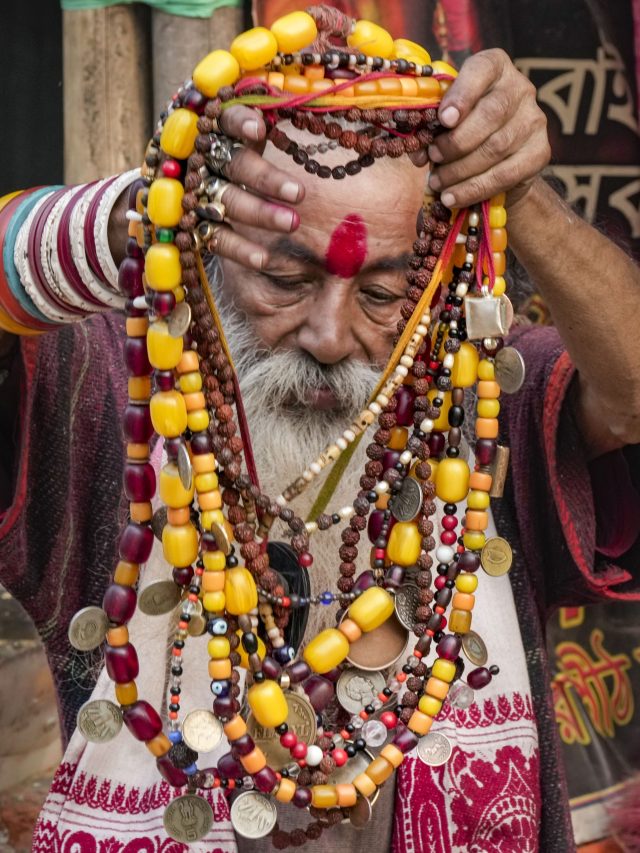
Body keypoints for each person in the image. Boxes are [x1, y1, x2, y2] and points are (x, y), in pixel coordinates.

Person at [1, 36, 639, 852]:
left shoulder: (478, 404)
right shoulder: (104, 390)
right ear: (204, 253)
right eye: (284, 278)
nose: (330, 335)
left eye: (381, 291)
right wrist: (124, 219)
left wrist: (517, 189)